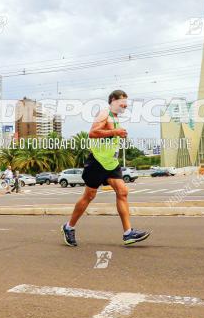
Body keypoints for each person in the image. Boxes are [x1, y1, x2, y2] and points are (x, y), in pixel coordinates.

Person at [61, 90, 150, 247]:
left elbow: (108, 135)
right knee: (89, 196)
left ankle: (128, 234)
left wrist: (118, 134)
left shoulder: (115, 117)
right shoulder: (104, 113)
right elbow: (92, 133)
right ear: (113, 100)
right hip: (97, 161)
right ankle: (69, 227)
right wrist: (115, 131)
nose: (125, 105)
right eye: (123, 101)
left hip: (111, 162)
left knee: (122, 191)